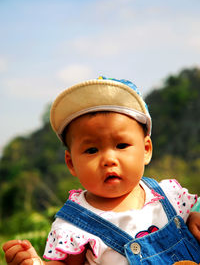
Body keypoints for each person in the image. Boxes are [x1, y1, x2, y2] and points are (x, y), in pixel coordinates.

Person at [3, 77, 200, 265]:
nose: (108, 159)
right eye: (91, 150)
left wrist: (193, 219)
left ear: (146, 149)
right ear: (71, 163)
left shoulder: (171, 198)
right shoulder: (76, 224)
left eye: (121, 145)